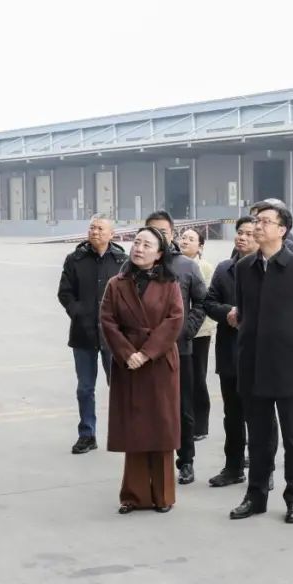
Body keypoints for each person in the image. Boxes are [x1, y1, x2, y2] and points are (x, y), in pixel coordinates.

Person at [228, 202, 293, 524]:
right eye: (257, 221)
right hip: (252, 363)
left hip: (287, 365)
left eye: (266, 222)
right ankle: (255, 496)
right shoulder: (245, 268)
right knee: (257, 436)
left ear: (282, 230)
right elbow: (243, 312)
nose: (258, 226)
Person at [99, 226, 184, 514]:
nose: (139, 248)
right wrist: (127, 354)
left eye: (147, 245)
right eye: (137, 242)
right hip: (129, 363)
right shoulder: (116, 283)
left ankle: (163, 496)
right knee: (134, 430)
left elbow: (174, 320)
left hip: (159, 362)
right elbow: (107, 321)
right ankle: (133, 496)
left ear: (159, 254)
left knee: (161, 429)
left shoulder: (170, 283)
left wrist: (147, 353)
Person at [144, 212, 207, 486]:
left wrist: (186, 330)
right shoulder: (135, 266)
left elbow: (202, 302)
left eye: (163, 231)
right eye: (152, 231)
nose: (158, 236)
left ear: (172, 234)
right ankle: (152, 462)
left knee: (182, 409)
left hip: (179, 350)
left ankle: (186, 461)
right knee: (149, 409)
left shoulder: (187, 266)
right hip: (145, 352)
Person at [56, 214, 127, 454]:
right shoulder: (75, 259)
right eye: (92, 228)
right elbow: (65, 292)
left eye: (100, 229)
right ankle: (87, 434)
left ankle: (123, 432)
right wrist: (78, 312)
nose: (94, 232)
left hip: (113, 336)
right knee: (85, 388)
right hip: (83, 334)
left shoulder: (122, 261)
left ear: (111, 234)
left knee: (118, 386)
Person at [203, 217, 258, 488]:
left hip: (259, 356)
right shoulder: (224, 269)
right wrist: (228, 313)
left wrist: (247, 316)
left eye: (249, 233)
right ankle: (233, 467)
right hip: (229, 353)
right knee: (232, 415)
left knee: (259, 418)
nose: (242, 237)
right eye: (239, 232)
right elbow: (209, 302)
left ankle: (263, 470)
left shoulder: (267, 269)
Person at [177, 228, 214, 441]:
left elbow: (204, 300)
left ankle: (200, 426)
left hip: (199, 332)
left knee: (198, 378)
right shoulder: (175, 265)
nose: (185, 241)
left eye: (191, 239)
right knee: (183, 380)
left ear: (200, 246)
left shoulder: (204, 267)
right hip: (179, 333)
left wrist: (190, 328)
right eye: (183, 238)